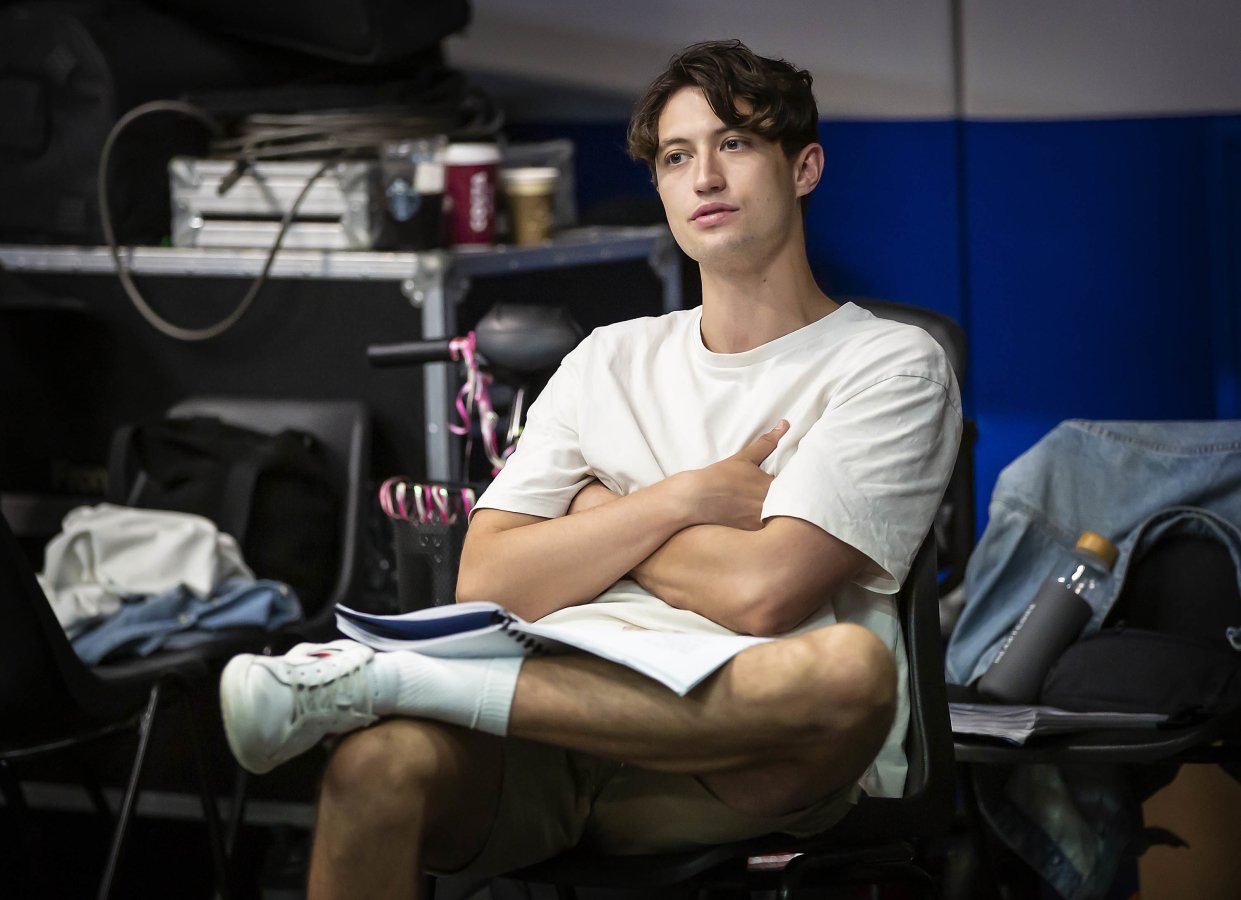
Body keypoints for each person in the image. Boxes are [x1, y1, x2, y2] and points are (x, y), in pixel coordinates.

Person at [219, 39, 962, 899]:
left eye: (735, 144)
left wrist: (594, 520)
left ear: (804, 167)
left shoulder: (888, 363)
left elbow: (764, 593)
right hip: (546, 740)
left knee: (849, 674)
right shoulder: (607, 357)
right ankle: (388, 696)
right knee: (372, 766)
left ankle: (390, 678)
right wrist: (680, 500)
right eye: (678, 156)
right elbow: (489, 572)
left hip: (734, 763)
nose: (705, 178)